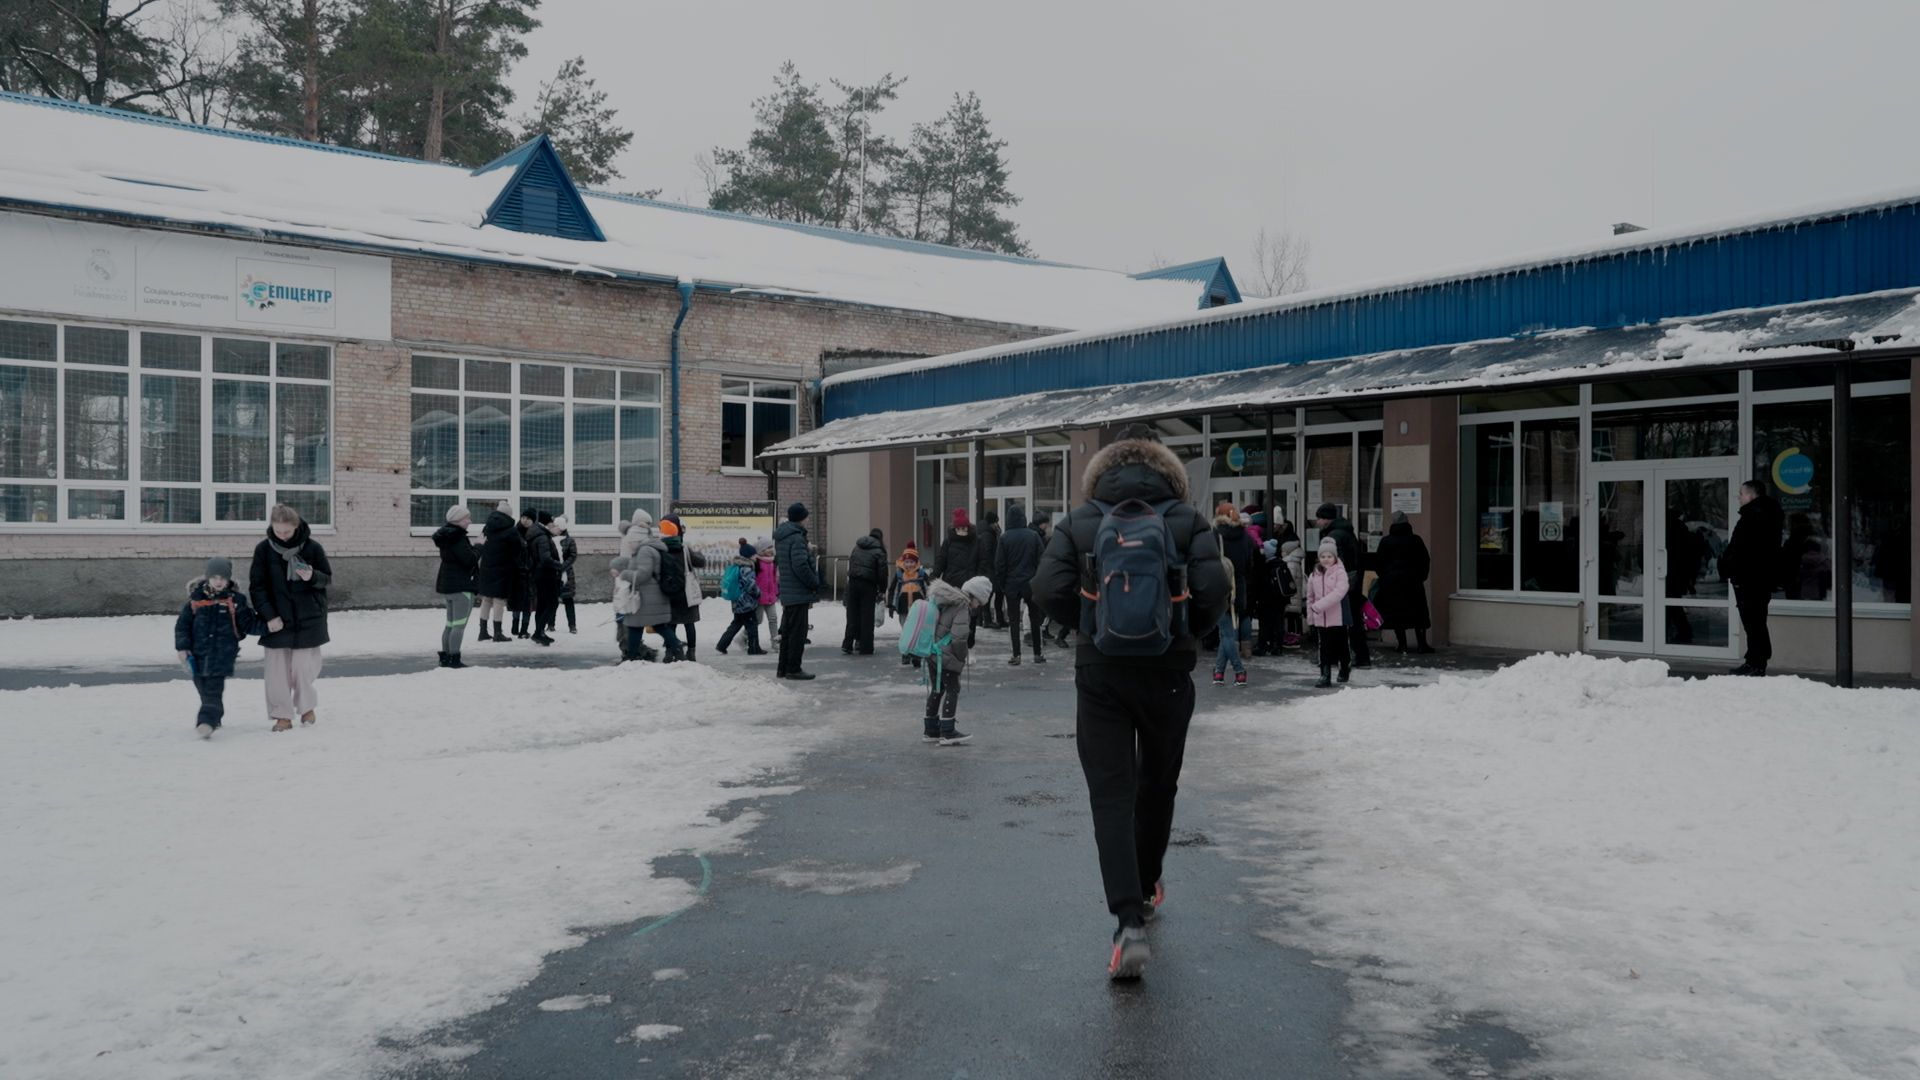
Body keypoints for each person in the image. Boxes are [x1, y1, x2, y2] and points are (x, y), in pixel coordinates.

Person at [1033, 425, 1228, 981]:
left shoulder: (1080, 520)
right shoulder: (1188, 520)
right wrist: (1180, 631)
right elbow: (1216, 591)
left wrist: (1094, 626)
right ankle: (1145, 886)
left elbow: (1047, 589)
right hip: (1168, 673)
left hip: (1101, 674)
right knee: (1157, 786)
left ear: (1103, 468)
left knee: (1111, 797)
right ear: (1168, 470)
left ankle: (1127, 925)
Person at [249, 504, 332, 731]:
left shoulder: (313, 548)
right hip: (277, 620)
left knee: (304, 668)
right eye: (278, 531)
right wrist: (269, 616)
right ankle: (281, 715)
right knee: (276, 671)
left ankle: (306, 708)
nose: (282, 535)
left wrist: (312, 576)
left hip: (309, 617)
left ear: (296, 527)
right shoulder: (263, 550)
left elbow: (327, 579)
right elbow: (257, 587)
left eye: (286, 531)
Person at [174, 557, 259, 738]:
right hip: (198, 655)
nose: (219, 582)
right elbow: (182, 626)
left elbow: (248, 624)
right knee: (203, 689)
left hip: (223, 655)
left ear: (228, 580)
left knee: (213, 690)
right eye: (215, 577)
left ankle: (206, 723)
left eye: (223, 578)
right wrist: (182, 648)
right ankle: (215, 716)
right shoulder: (195, 600)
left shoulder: (235, 601)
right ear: (207, 578)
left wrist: (270, 627)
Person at [1723, 479, 1784, 676]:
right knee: (1756, 620)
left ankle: (1756, 663)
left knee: (1753, 621)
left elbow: (1744, 548)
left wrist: (1730, 566)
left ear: (1751, 495)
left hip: (1749, 577)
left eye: (1741, 494)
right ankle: (1754, 660)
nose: (1739, 498)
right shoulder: (1768, 514)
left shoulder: (1753, 516)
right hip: (1758, 577)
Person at [921, 575, 992, 746]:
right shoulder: (962, 607)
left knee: (937, 689)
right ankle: (947, 730)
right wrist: (961, 657)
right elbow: (959, 639)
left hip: (933, 652)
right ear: (975, 596)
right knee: (953, 689)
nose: (978, 607)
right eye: (980, 602)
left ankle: (931, 730)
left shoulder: (950, 600)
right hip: (946, 655)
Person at [619, 511, 682, 662]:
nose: (629, 544)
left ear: (637, 540)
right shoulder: (645, 549)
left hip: (648, 596)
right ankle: (677, 649)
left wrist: (625, 574)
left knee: (637, 626)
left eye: (631, 541)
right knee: (655, 626)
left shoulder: (645, 551)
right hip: (650, 595)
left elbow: (643, 574)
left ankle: (631, 658)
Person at [1314, 503, 1371, 669]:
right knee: (1352, 621)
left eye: (1319, 518)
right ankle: (1361, 657)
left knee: (1335, 621)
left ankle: (1333, 656)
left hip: (1340, 585)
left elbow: (1332, 562)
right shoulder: (1347, 532)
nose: (1317, 521)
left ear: (1326, 519)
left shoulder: (1334, 536)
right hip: (1351, 582)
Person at [1374, 511, 1435, 654]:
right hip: (1413, 582)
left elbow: (1378, 562)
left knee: (1397, 614)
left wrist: (1385, 577)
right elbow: (1424, 560)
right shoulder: (1415, 540)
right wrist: (1421, 576)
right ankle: (1422, 644)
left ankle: (1402, 645)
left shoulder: (1386, 541)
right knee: (1418, 613)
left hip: (1392, 584)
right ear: (1407, 523)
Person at [995, 506, 1049, 666]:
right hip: (1031, 583)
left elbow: (999, 565)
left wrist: (1003, 584)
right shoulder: (1033, 536)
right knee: (1035, 618)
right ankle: (1037, 653)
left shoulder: (1004, 538)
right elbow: (1042, 560)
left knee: (1013, 620)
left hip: (1011, 584)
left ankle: (1016, 655)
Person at [774, 503, 821, 680]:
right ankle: (793, 668)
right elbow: (800, 565)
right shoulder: (797, 538)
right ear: (801, 518)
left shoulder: (783, 537)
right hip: (798, 592)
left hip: (788, 591)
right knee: (797, 634)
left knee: (787, 632)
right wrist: (813, 581)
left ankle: (783, 668)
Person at [432, 504, 480, 667]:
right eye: (467, 518)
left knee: (450, 624)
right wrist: (479, 547)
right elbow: (469, 560)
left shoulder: (446, 537)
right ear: (458, 520)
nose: (470, 521)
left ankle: (445, 657)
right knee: (459, 626)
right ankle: (454, 659)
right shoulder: (457, 537)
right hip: (461, 586)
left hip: (448, 585)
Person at [1306, 538, 1351, 688]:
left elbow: (1339, 593)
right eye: (1323, 556)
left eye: (1329, 556)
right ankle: (1325, 675)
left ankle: (1344, 668)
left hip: (1337, 617)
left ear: (1335, 557)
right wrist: (1311, 616)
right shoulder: (1314, 575)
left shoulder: (1340, 573)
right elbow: (1310, 597)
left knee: (1341, 645)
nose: (1326, 560)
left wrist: (1319, 606)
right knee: (1323, 647)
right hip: (1321, 618)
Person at [661, 514, 706, 660]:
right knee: (689, 623)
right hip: (686, 593)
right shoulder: (685, 548)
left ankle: (669, 652)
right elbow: (701, 562)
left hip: (668, 592)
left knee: (670, 625)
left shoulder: (660, 549)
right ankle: (691, 653)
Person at [936, 509, 983, 646]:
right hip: (952, 586)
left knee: (970, 618)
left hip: (970, 586)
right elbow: (941, 561)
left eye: (963, 527)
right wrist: (934, 576)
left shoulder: (976, 541)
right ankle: (952, 645)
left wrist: (979, 579)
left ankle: (969, 646)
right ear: (954, 528)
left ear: (968, 527)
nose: (961, 530)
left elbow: (982, 562)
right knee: (952, 617)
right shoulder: (948, 542)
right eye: (959, 528)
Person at [1214, 502, 1256, 656]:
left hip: (1222, 580)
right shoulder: (1245, 535)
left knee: (1225, 616)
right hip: (1240, 580)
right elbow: (1249, 560)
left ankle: (1230, 649)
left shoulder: (1216, 534)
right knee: (1242, 614)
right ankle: (1246, 648)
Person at [476, 502, 521, 643]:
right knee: (499, 601)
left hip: (486, 567)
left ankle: (482, 631)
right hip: (503, 569)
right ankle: (497, 633)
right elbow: (516, 551)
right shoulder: (511, 530)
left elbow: (482, 543)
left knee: (486, 599)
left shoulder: (487, 526)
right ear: (509, 515)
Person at [716, 541, 768, 655]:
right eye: (754, 555)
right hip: (746, 602)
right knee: (752, 625)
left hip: (737, 601)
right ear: (749, 556)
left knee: (736, 624)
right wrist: (758, 593)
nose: (756, 557)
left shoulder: (737, 565)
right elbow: (750, 585)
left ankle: (722, 644)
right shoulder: (747, 567)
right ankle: (754, 648)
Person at [843, 528, 888, 656]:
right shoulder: (879, 551)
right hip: (868, 585)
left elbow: (851, 564)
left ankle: (847, 644)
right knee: (866, 616)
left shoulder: (857, 547)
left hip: (853, 582)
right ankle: (866, 647)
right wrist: (882, 589)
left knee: (852, 614)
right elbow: (883, 573)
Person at [889, 541, 932, 666]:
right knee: (905, 631)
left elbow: (928, 589)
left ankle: (916, 655)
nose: (909, 565)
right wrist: (891, 605)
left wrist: (930, 604)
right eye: (907, 562)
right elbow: (893, 590)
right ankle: (906, 653)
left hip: (918, 609)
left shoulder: (921, 574)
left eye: (912, 562)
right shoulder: (899, 575)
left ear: (916, 562)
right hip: (903, 608)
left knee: (917, 631)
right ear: (903, 562)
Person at [526, 510, 562, 646]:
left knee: (542, 604)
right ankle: (538, 632)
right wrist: (559, 565)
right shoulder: (542, 537)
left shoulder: (537, 533)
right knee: (552, 603)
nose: (553, 524)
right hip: (546, 574)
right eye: (552, 521)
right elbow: (545, 558)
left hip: (539, 574)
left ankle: (539, 632)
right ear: (547, 522)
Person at [1211, 561, 1247, 687]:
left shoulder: (1220, 559)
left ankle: (1239, 671)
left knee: (1226, 636)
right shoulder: (1244, 544)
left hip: (1221, 598)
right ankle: (1219, 672)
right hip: (1235, 596)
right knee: (1225, 635)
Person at [509, 510, 536, 638]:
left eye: (528, 518)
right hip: (517, 572)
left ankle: (524, 629)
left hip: (530, 572)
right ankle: (515, 627)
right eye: (523, 517)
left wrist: (531, 566)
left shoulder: (534, 533)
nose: (525, 520)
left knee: (528, 601)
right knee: (517, 600)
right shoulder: (515, 532)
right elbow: (512, 552)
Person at [980, 510, 1005, 629]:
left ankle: (998, 618)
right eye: (996, 522)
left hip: (991, 569)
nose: (997, 524)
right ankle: (987, 620)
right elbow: (989, 553)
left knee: (998, 593)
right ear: (992, 522)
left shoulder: (990, 533)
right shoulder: (987, 534)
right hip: (989, 569)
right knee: (989, 594)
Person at [554, 515, 579, 634]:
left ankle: (572, 625)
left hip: (567, 574)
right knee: (552, 601)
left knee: (568, 600)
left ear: (561, 527)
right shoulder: (551, 539)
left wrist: (562, 567)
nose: (554, 528)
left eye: (556, 526)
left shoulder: (570, 541)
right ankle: (550, 624)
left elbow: (573, 556)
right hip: (553, 573)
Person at [754, 538, 781, 647]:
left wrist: (776, 591)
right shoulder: (756, 562)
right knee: (758, 620)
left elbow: (774, 579)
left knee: (773, 618)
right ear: (761, 550)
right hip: (759, 597)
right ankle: (744, 636)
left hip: (771, 596)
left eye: (771, 547)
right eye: (768, 548)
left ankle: (775, 642)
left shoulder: (773, 561)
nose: (771, 550)